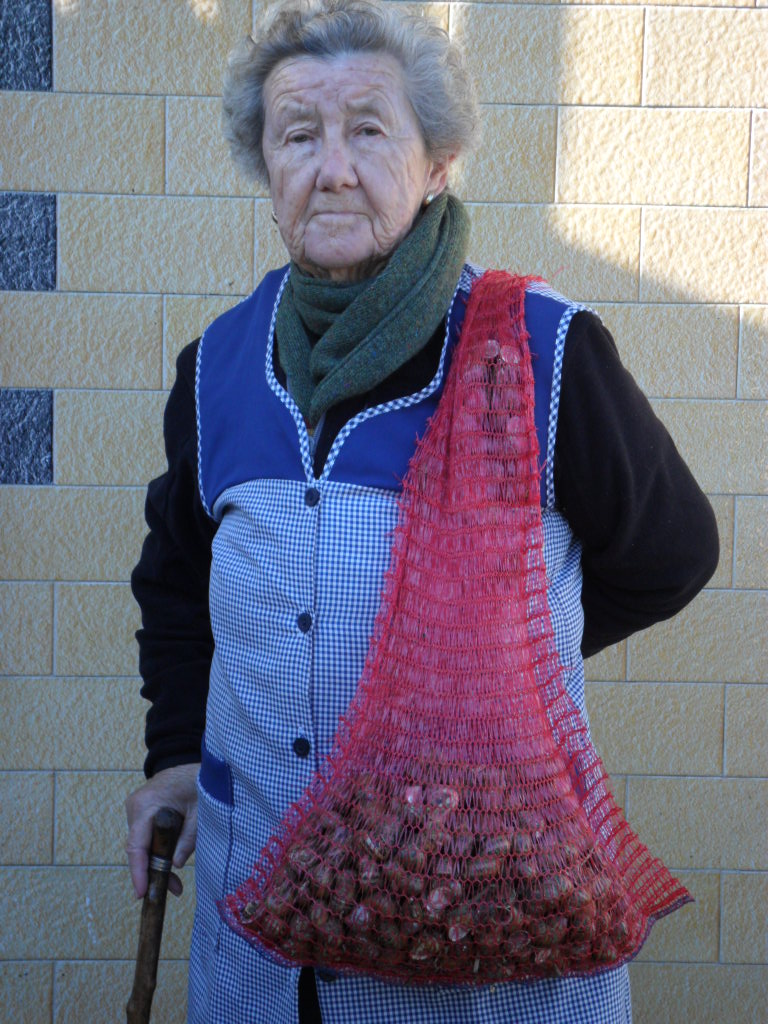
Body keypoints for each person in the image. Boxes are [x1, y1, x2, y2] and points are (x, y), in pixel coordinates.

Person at [125, 2, 719, 1021]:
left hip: (477, 930)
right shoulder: (218, 365)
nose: (334, 167)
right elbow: (179, 582)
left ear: (438, 160)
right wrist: (176, 755)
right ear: (266, 167)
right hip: (258, 942)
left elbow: (671, 554)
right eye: (298, 135)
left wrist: (494, 661)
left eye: (370, 129)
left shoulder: (543, 351)